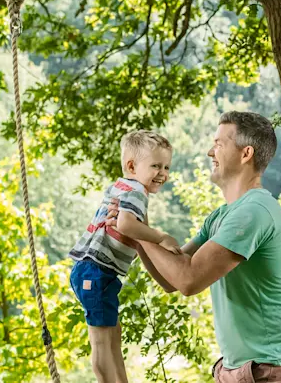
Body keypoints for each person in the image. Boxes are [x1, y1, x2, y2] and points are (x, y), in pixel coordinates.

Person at [117, 112, 281, 382]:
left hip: (273, 371)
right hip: (238, 370)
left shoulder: (254, 210)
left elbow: (188, 280)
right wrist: (137, 228)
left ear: (246, 154)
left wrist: (136, 232)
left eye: (219, 144)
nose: (211, 152)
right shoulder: (220, 217)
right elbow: (170, 279)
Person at [68, 130, 180, 383]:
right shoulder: (136, 191)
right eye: (155, 165)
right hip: (95, 271)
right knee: (101, 340)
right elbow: (126, 225)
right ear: (131, 166)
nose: (163, 173)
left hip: (96, 272)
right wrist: (161, 237)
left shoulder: (123, 187)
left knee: (112, 335)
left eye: (166, 167)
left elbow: (134, 232)